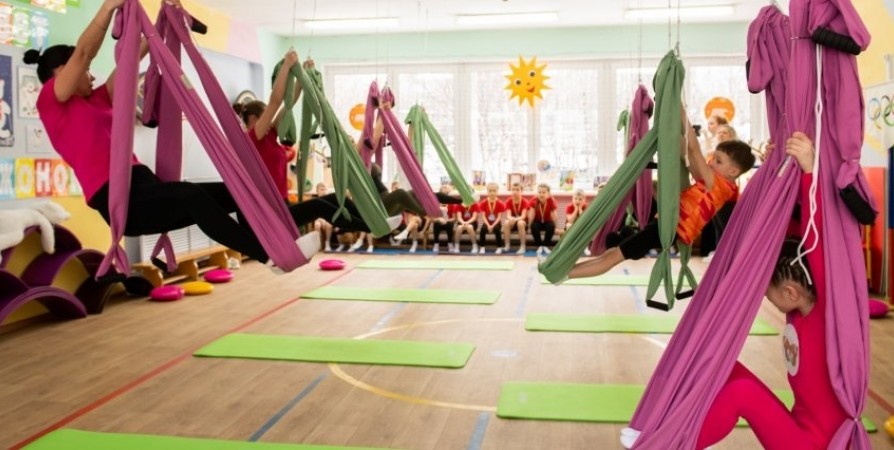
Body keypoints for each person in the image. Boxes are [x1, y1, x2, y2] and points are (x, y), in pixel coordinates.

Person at [27, 0, 393, 271]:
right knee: (190, 195)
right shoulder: (51, 102)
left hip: (144, 184)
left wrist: (161, 24)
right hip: (119, 200)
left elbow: (130, 61)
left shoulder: (98, 99)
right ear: (61, 71)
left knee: (236, 189)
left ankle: (276, 244)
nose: (91, 74)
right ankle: (268, 254)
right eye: (84, 70)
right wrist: (109, 8)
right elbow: (84, 53)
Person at [692, 133, 846, 450]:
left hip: (812, 445)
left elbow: (820, 236)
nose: (763, 297)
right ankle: (672, 424)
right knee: (721, 363)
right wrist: (775, 169)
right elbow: (784, 226)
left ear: (790, 292)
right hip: (797, 427)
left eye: (766, 291)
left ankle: (671, 444)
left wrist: (810, 170)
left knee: (742, 393)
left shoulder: (825, 314)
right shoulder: (798, 310)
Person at [568, 112, 755, 280]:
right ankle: (574, 267)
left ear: (733, 171)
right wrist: (671, 126)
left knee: (612, 257)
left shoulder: (717, 184)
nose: (712, 162)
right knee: (612, 254)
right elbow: (688, 153)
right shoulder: (717, 183)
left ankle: (565, 274)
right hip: (666, 224)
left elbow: (694, 149)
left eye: (718, 161)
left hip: (668, 229)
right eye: (713, 158)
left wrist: (680, 110)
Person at [236, 49, 308, 201]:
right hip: (271, 206)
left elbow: (288, 104)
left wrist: (303, 74)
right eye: (265, 117)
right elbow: (275, 102)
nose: (270, 120)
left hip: (283, 202)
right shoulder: (251, 140)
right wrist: (286, 66)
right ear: (254, 119)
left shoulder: (270, 135)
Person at [527, 183, 558, 256]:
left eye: (543, 192)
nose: (541, 194)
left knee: (551, 226)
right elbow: (531, 215)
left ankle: (545, 245)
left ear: (548, 193)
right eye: (539, 192)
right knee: (533, 226)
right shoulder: (534, 200)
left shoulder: (551, 200)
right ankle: (539, 246)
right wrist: (529, 227)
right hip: (537, 221)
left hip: (547, 221)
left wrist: (555, 227)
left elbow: (554, 215)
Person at [476, 182, 505, 254]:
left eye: (494, 191)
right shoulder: (483, 203)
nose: (492, 193)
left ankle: (499, 247)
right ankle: (482, 247)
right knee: (483, 229)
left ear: (497, 192)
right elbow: (483, 216)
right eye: (490, 191)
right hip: (487, 222)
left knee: (497, 229)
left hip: (496, 223)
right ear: (487, 192)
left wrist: (493, 225)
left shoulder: (500, 203)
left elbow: (499, 217)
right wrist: (488, 225)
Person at [503, 182, 529, 255]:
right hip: (513, 222)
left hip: (522, 223)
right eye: (513, 189)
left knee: (520, 223)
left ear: (521, 191)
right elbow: (508, 215)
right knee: (506, 223)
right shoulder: (508, 201)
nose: (515, 192)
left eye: (517, 190)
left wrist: (515, 219)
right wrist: (511, 219)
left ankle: (523, 246)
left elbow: (523, 216)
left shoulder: (524, 201)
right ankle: (507, 245)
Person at [431, 185, 457, 254]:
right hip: (439, 222)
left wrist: (446, 221)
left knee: (449, 224)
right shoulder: (435, 203)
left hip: (448, 222)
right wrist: (439, 219)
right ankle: (436, 243)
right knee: (436, 224)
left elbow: (454, 218)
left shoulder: (452, 203)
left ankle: (450, 243)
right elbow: (433, 218)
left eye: (446, 193)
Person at [565, 189, 591, 256]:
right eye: (575, 199)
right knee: (568, 225)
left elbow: (584, 220)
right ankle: (570, 247)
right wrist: (576, 209)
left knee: (587, 227)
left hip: (582, 225)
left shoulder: (586, 206)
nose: (577, 201)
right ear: (572, 199)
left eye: (580, 199)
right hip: (571, 225)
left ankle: (585, 246)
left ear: (584, 200)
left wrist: (580, 209)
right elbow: (570, 220)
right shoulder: (569, 206)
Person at [312, 183, 333, 252]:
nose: (324, 191)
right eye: (321, 189)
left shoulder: (329, 200)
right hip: (318, 219)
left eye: (325, 189)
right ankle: (318, 244)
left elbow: (330, 213)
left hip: (327, 219)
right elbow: (314, 214)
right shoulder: (314, 201)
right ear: (317, 191)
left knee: (329, 225)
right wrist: (321, 220)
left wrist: (325, 220)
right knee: (317, 225)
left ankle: (327, 243)